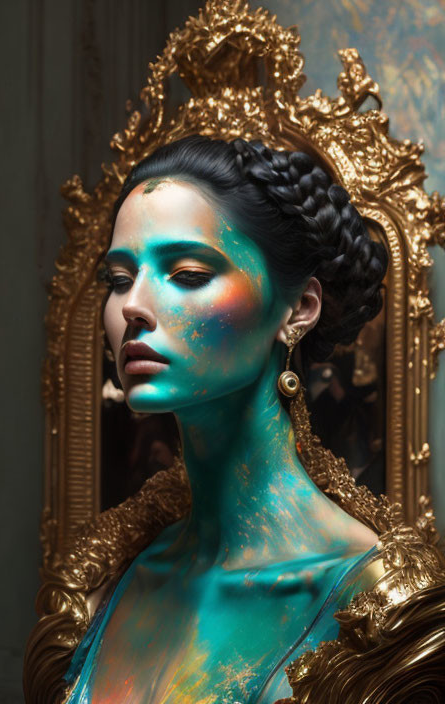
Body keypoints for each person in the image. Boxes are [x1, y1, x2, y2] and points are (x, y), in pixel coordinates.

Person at [61, 135, 389, 702]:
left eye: (187, 273)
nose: (132, 306)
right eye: (118, 279)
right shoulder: (111, 581)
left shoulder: (371, 601)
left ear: (299, 309)